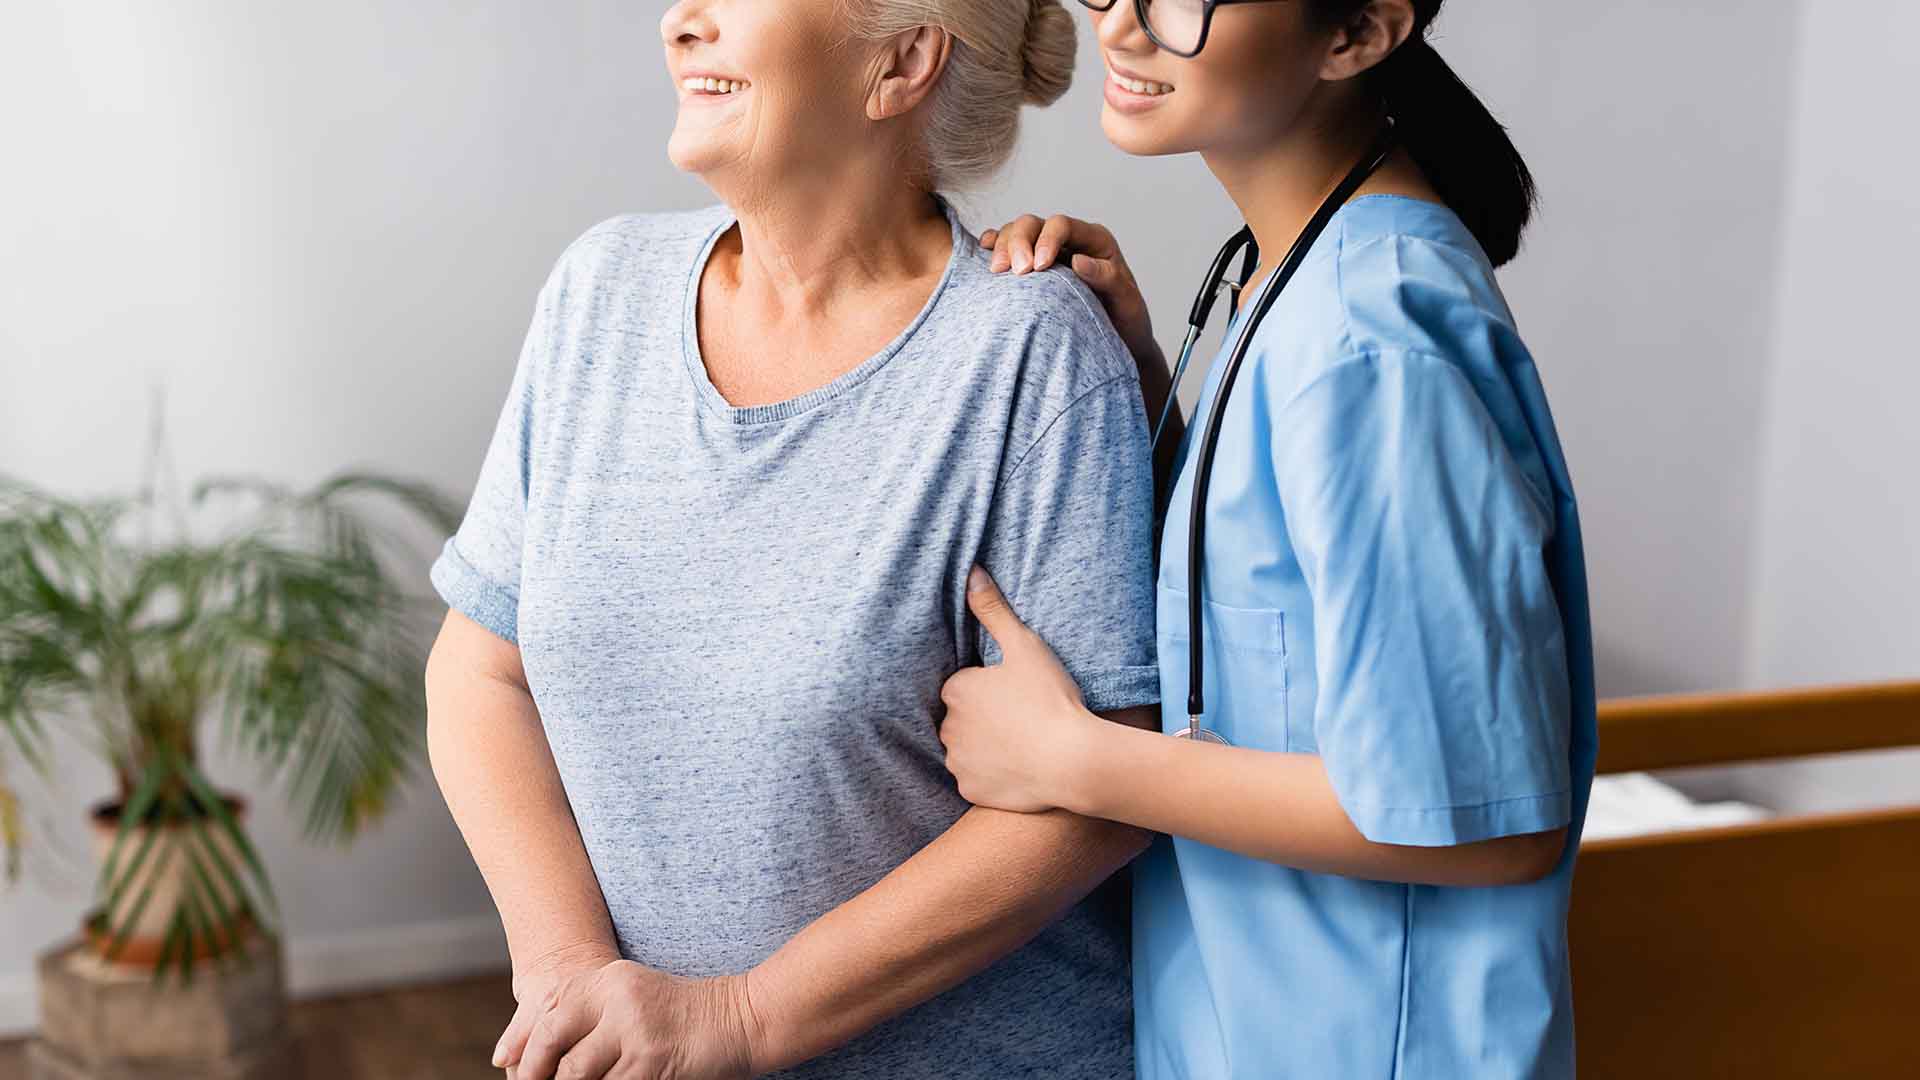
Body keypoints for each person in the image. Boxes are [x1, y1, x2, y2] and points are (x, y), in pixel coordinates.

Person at [422, 0, 1163, 1077]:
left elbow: (1098, 803)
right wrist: (568, 976)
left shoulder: (1029, 352)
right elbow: (481, 669)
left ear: (904, 61)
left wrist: (742, 1017)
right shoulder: (600, 295)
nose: (681, 21)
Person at [936, 0, 1598, 1076]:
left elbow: (1482, 821)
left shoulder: (1371, 335)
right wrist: (1144, 370)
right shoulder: (1298, 275)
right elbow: (1282, 618)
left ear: (1356, 33)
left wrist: (1077, 760)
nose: (1123, 26)